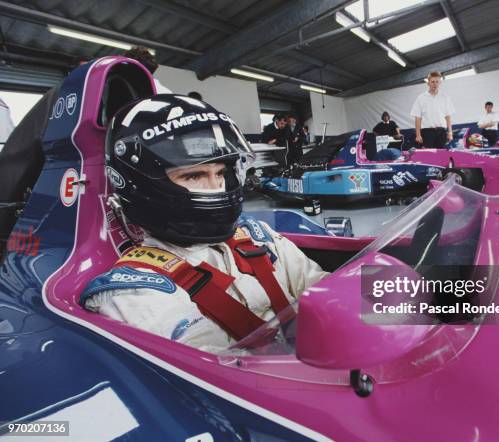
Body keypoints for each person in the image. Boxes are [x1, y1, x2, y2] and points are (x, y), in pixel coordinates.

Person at [80, 95, 327, 353]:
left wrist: (374, 300)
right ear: (145, 185)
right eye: (194, 175)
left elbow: (332, 293)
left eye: (220, 173)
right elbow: (228, 383)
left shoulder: (258, 237)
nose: (216, 188)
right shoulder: (137, 292)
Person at [410, 71, 455, 148]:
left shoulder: (445, 97)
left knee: (441, 156)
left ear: (440, 82)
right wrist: (418, 135)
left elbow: (448, 116)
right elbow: (418, 117)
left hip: (441, 131)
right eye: (432, 82)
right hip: (427, 132)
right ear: (428, 83)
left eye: (437, 81)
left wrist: (450, 132)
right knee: (429, 157)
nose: (435, 84)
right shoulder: (421, 98)